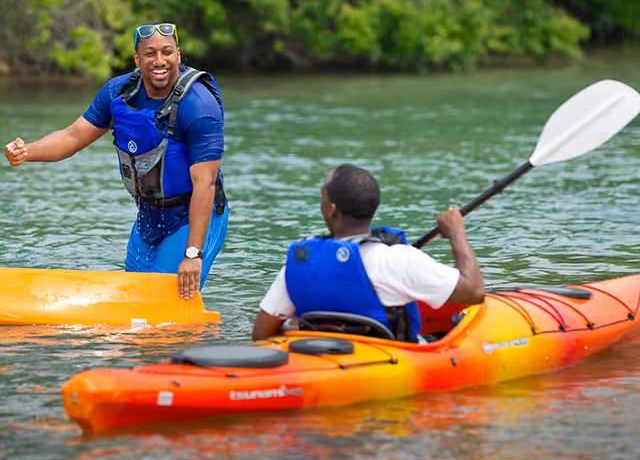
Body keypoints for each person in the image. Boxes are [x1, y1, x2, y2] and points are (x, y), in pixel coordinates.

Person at [4, 23, 228, 299]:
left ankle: (204, 339)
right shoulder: (117, 93)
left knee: (158, 308)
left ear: (178, 56)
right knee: (134, 303)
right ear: (137, 58)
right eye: (150, 53)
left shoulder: (199, 106)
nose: (160, 61)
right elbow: (72, 137)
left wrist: (193, 254)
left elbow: (204, 183)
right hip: (149, 219)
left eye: (167, 52)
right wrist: (28, 151)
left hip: (193, 218)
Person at [252, 164, 485, 342]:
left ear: (332, 209)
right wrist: (456, 233)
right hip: (390, 360)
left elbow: (262, 335)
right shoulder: (399, 259)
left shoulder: (299, 265)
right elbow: (473, 292)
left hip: (321, 358)